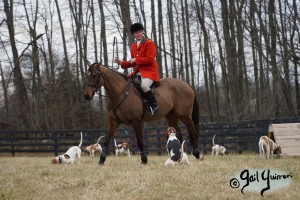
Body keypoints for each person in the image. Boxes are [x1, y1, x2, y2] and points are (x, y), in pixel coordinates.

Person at [114, 23, 160, 115]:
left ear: (143, 32)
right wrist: (121, 62)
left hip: (150, 72)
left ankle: (154, 106)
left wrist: (136, 59)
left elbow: (150, 59)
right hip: (138, 72)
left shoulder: (149, 43)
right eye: (136, 32)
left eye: (140, 31)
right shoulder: (133, 47)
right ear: (133, 34)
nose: (138, 34)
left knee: (144, 86)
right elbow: (134, 62)